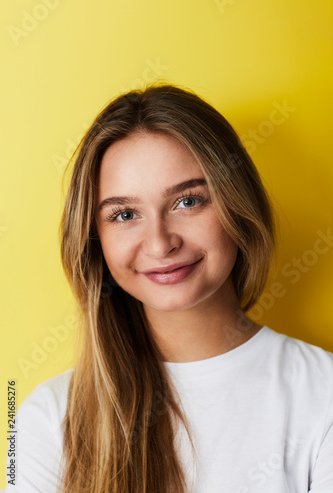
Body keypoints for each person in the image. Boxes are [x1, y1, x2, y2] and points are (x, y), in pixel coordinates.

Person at [5, 84, 333, 493]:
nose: (160, 243)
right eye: (125, 214)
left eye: (188, 201)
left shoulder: (323, 394)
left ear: (236, 203)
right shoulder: (46, 417)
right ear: (95, 239)